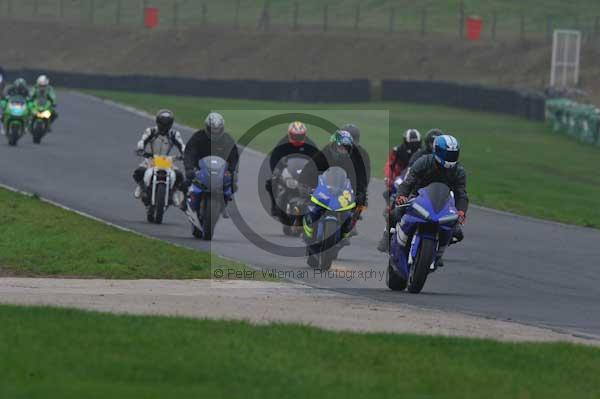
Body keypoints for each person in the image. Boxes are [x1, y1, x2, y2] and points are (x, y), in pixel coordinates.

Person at [393, 134, 468, 267]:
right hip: (418, 197)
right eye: (446, 154)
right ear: (437, 151)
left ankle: (438, 253)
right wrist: (402, 196)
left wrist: (461, 211)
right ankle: (395, 242)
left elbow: (461, 194)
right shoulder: (424, 162)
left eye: (452, 154)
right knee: (396, 213)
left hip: (443, 203)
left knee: (456, 231)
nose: (449, 158)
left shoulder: (459, 171)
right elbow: (408, 182)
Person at [300, 130, 368, 253]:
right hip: (323, 189)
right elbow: (309, 169)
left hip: (342, 192)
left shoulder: (353, 160)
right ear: (334, 146)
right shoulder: (324, 153)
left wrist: (361, 193)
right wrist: (305, 186)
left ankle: (344, 234)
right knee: (307, 206)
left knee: (353, 213)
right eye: (340, 147)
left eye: (346, 148)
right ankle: (307, 232)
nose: (343, 150)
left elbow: (360, 178)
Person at [183, 112, 239, 217]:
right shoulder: (198, 137)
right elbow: (189, 152)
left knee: (233, 184)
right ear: (207, 127)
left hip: (220, 170)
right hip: (200, 168)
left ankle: (224, 203)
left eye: (217, 130)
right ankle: (185, 202)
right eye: (212, 129)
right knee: (186, 181)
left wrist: (232, 170)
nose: (215, 132)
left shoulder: (227, 139)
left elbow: (234, 156)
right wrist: (189, 167)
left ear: (222, 128)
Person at [376, 129, 422, 251]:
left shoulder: (423, 154)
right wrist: (389, 179)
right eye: (411, 143)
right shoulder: (398, 151)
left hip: (417, 182)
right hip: (401, 179)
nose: (413, 146)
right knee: (392, 205)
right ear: (405, 142)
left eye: (416, 143)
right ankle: (386, 236)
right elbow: (390, 165)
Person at [266, 121, 319, 216]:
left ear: (304, 135)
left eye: (300, 136)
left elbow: (318, 158)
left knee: (317, 185)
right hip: (286, 170)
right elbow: (274, 157)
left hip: (304, 171)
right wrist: (276, 170)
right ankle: (274, 205)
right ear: (289, 134)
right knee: (270, 182)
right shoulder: (282, 143)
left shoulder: (310, 144)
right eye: (295, 136)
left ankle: (316, 208)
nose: (297, 139)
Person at [133, 109, 186, 204]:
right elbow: (143, 140)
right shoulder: (151, 131)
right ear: (157, 122)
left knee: (179, 175)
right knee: (138, 172)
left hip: (166, 160)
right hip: (151, 159)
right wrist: (140, 148)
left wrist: (184, 153)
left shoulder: (174, 134)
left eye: (167, 124)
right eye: (162, 123)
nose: (164, 126)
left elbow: (182, 145)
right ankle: (142, 187)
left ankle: (173, 192)